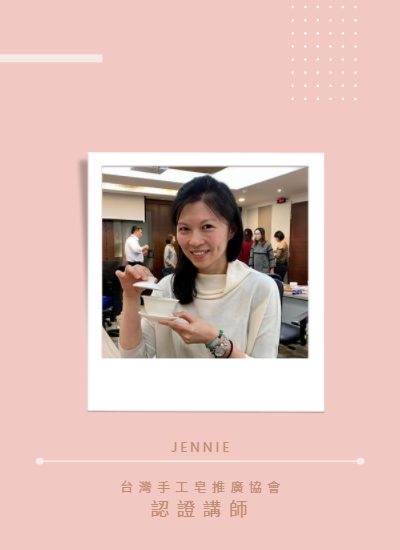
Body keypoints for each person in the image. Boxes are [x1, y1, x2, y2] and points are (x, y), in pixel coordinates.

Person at [116, 175, 281, 359]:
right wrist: (130, 297)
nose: (194, 241)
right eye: (184, 228)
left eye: (207, 226)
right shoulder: (167, 287)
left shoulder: (261, 288)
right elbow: (133, 360)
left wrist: (215, 341)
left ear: (231, 230)